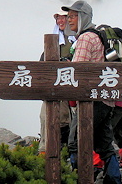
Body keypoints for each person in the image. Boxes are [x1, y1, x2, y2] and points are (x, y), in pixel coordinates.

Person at [62, 0, 121, 184]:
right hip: (105, 100)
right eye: (68, 16)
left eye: (73, 16)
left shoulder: (86, 38)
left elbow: (77, 70)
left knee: (75, 141)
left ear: (84, 17)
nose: (69, 20)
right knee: (105, 144)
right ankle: (114, 180)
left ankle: (78, 178)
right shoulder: (98, 35)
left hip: (91, 101)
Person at [38, 9, 76, 155]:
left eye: (64, 18)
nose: (60, 21)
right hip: (54, 89)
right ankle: (46, 150)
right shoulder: (53, 41)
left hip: (70, 92)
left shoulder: (77, 40)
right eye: (57, 18)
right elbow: (42, 63)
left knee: (67, 122)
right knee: (46, 117)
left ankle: (64, 152)